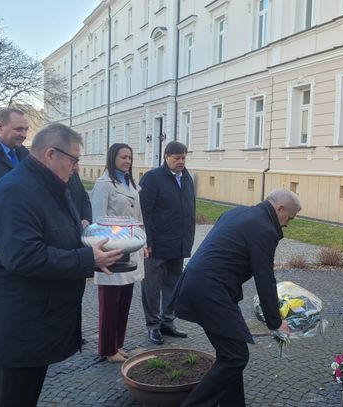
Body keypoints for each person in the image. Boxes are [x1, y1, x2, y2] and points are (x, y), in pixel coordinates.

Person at [0, 123, 123, 407]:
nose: (76, 168)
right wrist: (87, 258)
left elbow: (60, 232)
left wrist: (90, 246)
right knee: (13, 397)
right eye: (74, 160)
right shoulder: (16, 190)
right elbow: (22, 256)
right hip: (20, 324)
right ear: (51, 154)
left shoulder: (49, 184)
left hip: (38, 320)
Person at [172, 188, 302, 407]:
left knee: (230, 355)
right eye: (289, 218)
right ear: (280, 208)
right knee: (235, 357)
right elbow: (265, 278)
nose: (287, 225)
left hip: (198, 285)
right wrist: (275, 322)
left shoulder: (237, 212)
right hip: (210, 292)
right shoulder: (265, 229)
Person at [90, 143, 145, 363]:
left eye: (130, 158)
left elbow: (139, 217)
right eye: (123, 157)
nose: (127, 161)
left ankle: (117, 344)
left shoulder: (132, 183)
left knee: (124, 301)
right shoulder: (103, 184)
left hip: (131, 248)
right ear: (113, 158)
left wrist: (143, 242)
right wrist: (102, 251)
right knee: (110, 303)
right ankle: (107, 349)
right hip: (111, 250)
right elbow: (97, 220)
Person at [139, 141, 196, 345]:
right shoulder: (153, 178)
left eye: (183, 158)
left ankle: (167, 322)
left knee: (173, 286)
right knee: (152, 288)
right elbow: (144, 212)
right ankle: (153, 325)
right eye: (177, 158)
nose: (181, 162)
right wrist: (147, 240)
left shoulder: (187, 178)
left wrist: (188, 239)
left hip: (178, 244)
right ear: (166, 157)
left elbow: (190, 209)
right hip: (157, 245)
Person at [0, 107, 29, 182]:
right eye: (18, 129)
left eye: (26, 129)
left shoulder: (26, 154)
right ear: (0, 128)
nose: (24, 135)